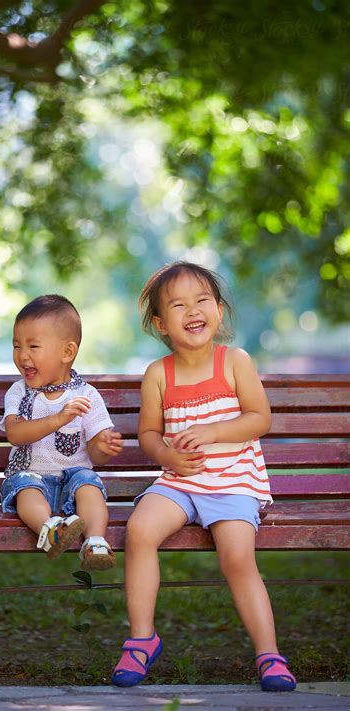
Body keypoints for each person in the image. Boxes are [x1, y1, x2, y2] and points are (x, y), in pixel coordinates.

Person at [111, 261, 296, 692]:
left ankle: (269, 653)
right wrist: (168, 459)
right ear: (161, 323)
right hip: (180, 482)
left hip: (233, 481)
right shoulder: (159, 374)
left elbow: (259, 418)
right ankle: (142, 639)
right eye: (178, 305)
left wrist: (213, 431)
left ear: (218, 309)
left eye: (202, 301)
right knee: (139, 530)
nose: (192, 311)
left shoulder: (234, 361)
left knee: (236, 556)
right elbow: (150, 434)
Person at [0, 294, 122, 570]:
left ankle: (95, 542)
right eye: (16, 346)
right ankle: (50, 530)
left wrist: (103, 445)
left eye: (33, 346)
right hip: (33, 478)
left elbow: (96, 453)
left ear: (67, 352)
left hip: (72, 484)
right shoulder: (19, 392)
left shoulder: (85, 395)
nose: (22, 355)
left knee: (89, 482)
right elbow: (15, 434)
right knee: (24, 485)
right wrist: (57, 419)